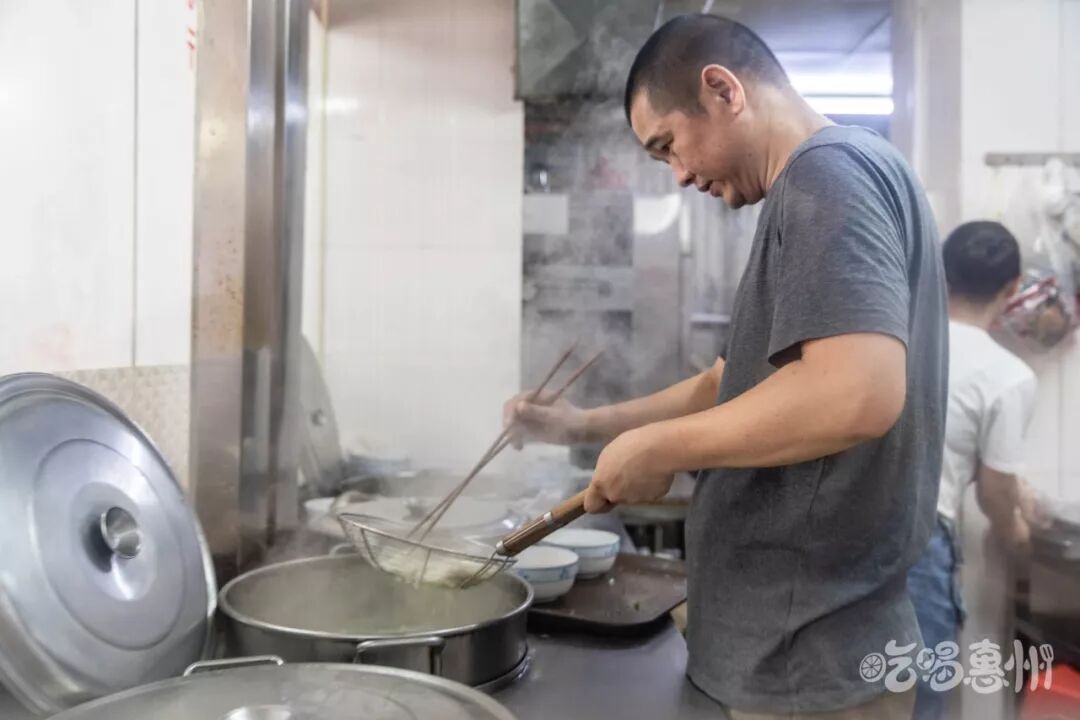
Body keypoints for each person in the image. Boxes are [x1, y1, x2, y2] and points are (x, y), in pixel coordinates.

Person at [503, 14, 948, 720]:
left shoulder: (827, 175)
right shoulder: (846, 174)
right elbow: (725, 385)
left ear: (722, 90)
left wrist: (661, 448)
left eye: (668, 146)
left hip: (804, 662)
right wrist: (580, 425)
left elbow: (858, 392)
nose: (680, 175)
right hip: (792, 652)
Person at [906, 221, 1037, 720]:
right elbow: (995, 492)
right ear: (1013, 287)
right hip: (920, 545)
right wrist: (1018, 535)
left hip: (847, 534)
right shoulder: (1008, 375)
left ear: (941, 272)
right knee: (919, 701)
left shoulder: (896, 339)